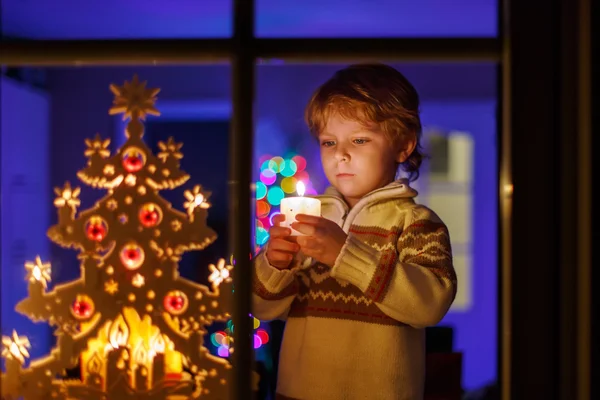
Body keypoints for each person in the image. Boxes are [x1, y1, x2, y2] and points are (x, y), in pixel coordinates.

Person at [252, 63, 457, 400]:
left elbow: (430, 306)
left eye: (359, 140)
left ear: (404, 145)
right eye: (329, 142)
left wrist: (344, 254)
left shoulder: (416, 223)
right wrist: (274, 265)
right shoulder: (308, 216)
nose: (341, 155)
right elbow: (260, 308)